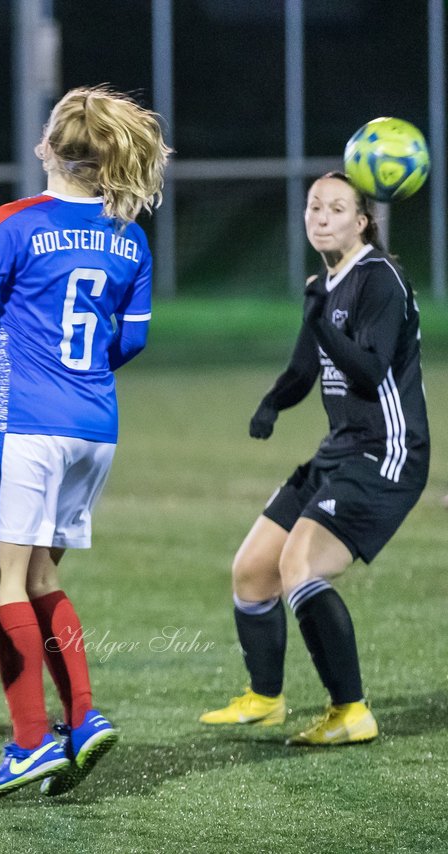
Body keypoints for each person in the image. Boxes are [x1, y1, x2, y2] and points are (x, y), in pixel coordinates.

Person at [0, 86, 168, 800]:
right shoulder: (129, 235)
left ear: (47, 147)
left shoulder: (17, 221)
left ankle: (28, 742)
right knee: (39, 578)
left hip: (25, 427)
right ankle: (82, 719)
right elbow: (130, 340)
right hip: (95, 431)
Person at [200, 172, 427, 745]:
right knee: (253, 571)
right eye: (313, 207)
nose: (320, 216)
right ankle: (266, 698)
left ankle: (351, 711)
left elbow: (370, 370)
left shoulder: (382, 279)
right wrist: (272, 404)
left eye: (335, 208)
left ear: (362, 221)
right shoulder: (323, 283)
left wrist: (321, 318)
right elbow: (306, 371)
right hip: (338, 452)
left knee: (300, 566)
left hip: (387, 454)